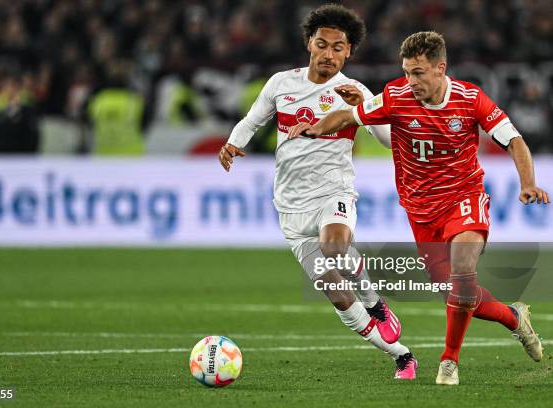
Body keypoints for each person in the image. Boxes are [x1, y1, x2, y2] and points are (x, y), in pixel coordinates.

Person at [288, 31, 549, 385]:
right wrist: (315, 129)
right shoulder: (396, 96)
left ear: (441, 69)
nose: (412, 81)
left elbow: (514, 140)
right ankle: (514, 318)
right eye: (407, 72)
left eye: (420, 73)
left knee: (462, 272)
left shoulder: (471, 99)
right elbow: (348, 116)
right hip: (421, 212)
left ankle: (449, 362)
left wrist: (528, 182)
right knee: (461, 294)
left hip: (464, 198)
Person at [218, 4, 417, 380]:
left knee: (335, 249)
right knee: (335, 291)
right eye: (322, 44)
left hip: (334, 192)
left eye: (338, 47)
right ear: (309, 43)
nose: (329, 54)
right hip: (291, 207)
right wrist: (232, 143)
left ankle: (375, 302)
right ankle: (402, 355)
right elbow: (252, 119)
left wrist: (367, 110)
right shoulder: (281, 84)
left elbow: (391, 142)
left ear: (349, 52)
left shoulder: (354, 90)